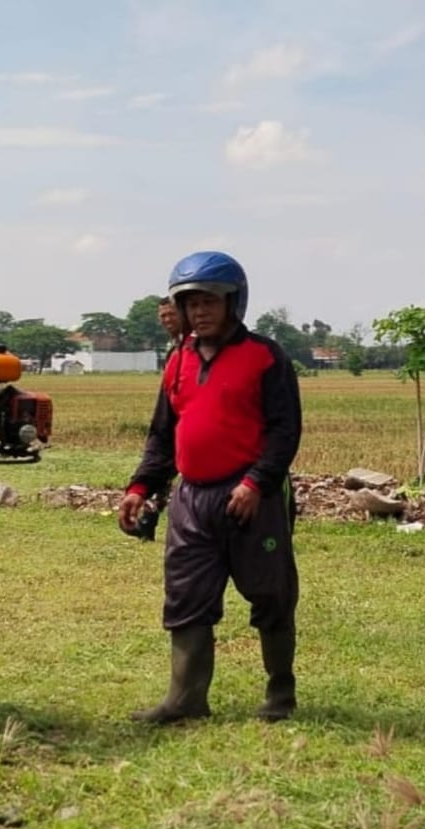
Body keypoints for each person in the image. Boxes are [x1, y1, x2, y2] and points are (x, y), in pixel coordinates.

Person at [118, 251, 303, 724]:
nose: (200, 312)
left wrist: (257, 482)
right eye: (191, 303)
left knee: (270, 595)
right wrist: (141, 485)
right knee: (186, 596)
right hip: (191, 500)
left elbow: (285, 430)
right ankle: (186, 700)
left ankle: (280, 695)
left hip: (250, 498)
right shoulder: (177, 360)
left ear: (233, 303)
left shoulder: (265, 357)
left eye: (210, 302)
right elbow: (163, 433)